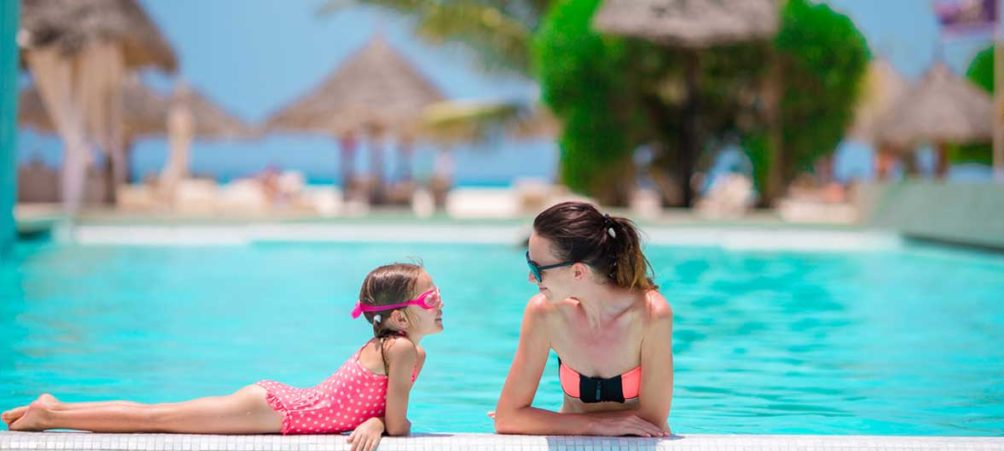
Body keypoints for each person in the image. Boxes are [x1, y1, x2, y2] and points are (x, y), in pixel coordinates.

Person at [2, 263, 444, 450]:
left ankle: (55, 408)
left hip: (277, 405)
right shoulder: (403, 350)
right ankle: (51, 414)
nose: (440, 301)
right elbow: (398, 426)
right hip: (277, 412)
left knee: (160, 415)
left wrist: (375, 422)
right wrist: (378, 424)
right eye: (430, 297)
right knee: (158, 419)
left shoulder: (401, 349)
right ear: (399, 317)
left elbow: (385, 417)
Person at [494, 201, 673, 437]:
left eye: (537, 269)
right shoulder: (544, 313)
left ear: (578, 271)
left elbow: (653, 421)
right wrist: (593, 426)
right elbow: (507, 418)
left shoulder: (650, 315)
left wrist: (541, 420)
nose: (531, 277)